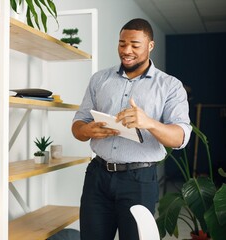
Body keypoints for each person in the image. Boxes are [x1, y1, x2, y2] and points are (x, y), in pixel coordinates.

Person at [71, 18, 192, 240]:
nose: (126, 50)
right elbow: (77, 125)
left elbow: (180, 138)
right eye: (122, 43)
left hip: (139, 181)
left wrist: (149, 122)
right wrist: (88, 130)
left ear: (150, 46)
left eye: (135, 45)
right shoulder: (99, 79)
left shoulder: (170, 86)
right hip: (97, 177)